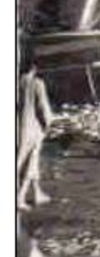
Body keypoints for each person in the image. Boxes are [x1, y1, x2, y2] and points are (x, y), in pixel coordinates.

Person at [16, 61, 53, 211]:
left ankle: (37, 193)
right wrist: (48, 125)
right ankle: (19, 198)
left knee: (28, 161)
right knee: (28, 163)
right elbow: (43, 108)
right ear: (34, 68)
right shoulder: (37, 83)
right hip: (33, 129)